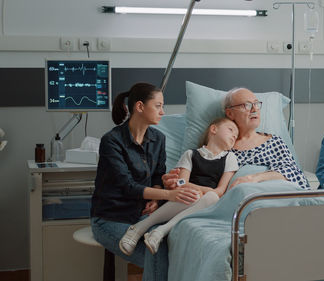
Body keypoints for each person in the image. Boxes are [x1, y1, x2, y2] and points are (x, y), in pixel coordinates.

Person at [90, 82, 200, 281]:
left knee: (165, 245)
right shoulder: (112, 141)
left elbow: (157, 174)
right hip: (110, 218)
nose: (163, 112)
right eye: (158, 106)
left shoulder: (158, 138)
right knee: (159, 255)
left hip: (142, 216)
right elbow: (127, 186)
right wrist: (168, 195)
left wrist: (157, 196)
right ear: (140, 107)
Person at [118, 117, 239, 255]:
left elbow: (220, 191)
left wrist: (202, 191)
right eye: (231, 130)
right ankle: (139, 228)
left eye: (236, 135)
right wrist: (199, 190)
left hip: (209, 203)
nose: (234, 135)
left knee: (211, 197)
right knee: (194, 194)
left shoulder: (230, 158)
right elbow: (181, 183)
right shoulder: (190, 154)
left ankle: (161, 230)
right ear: (213, 129)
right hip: (184, 197)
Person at [224, 88, 309, 189]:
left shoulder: (274, 142)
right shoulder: (224, 149)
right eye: (246, 105)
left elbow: (295, 175)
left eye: (256, 104)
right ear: (230, 113)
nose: (254, 109)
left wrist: (254, 178)